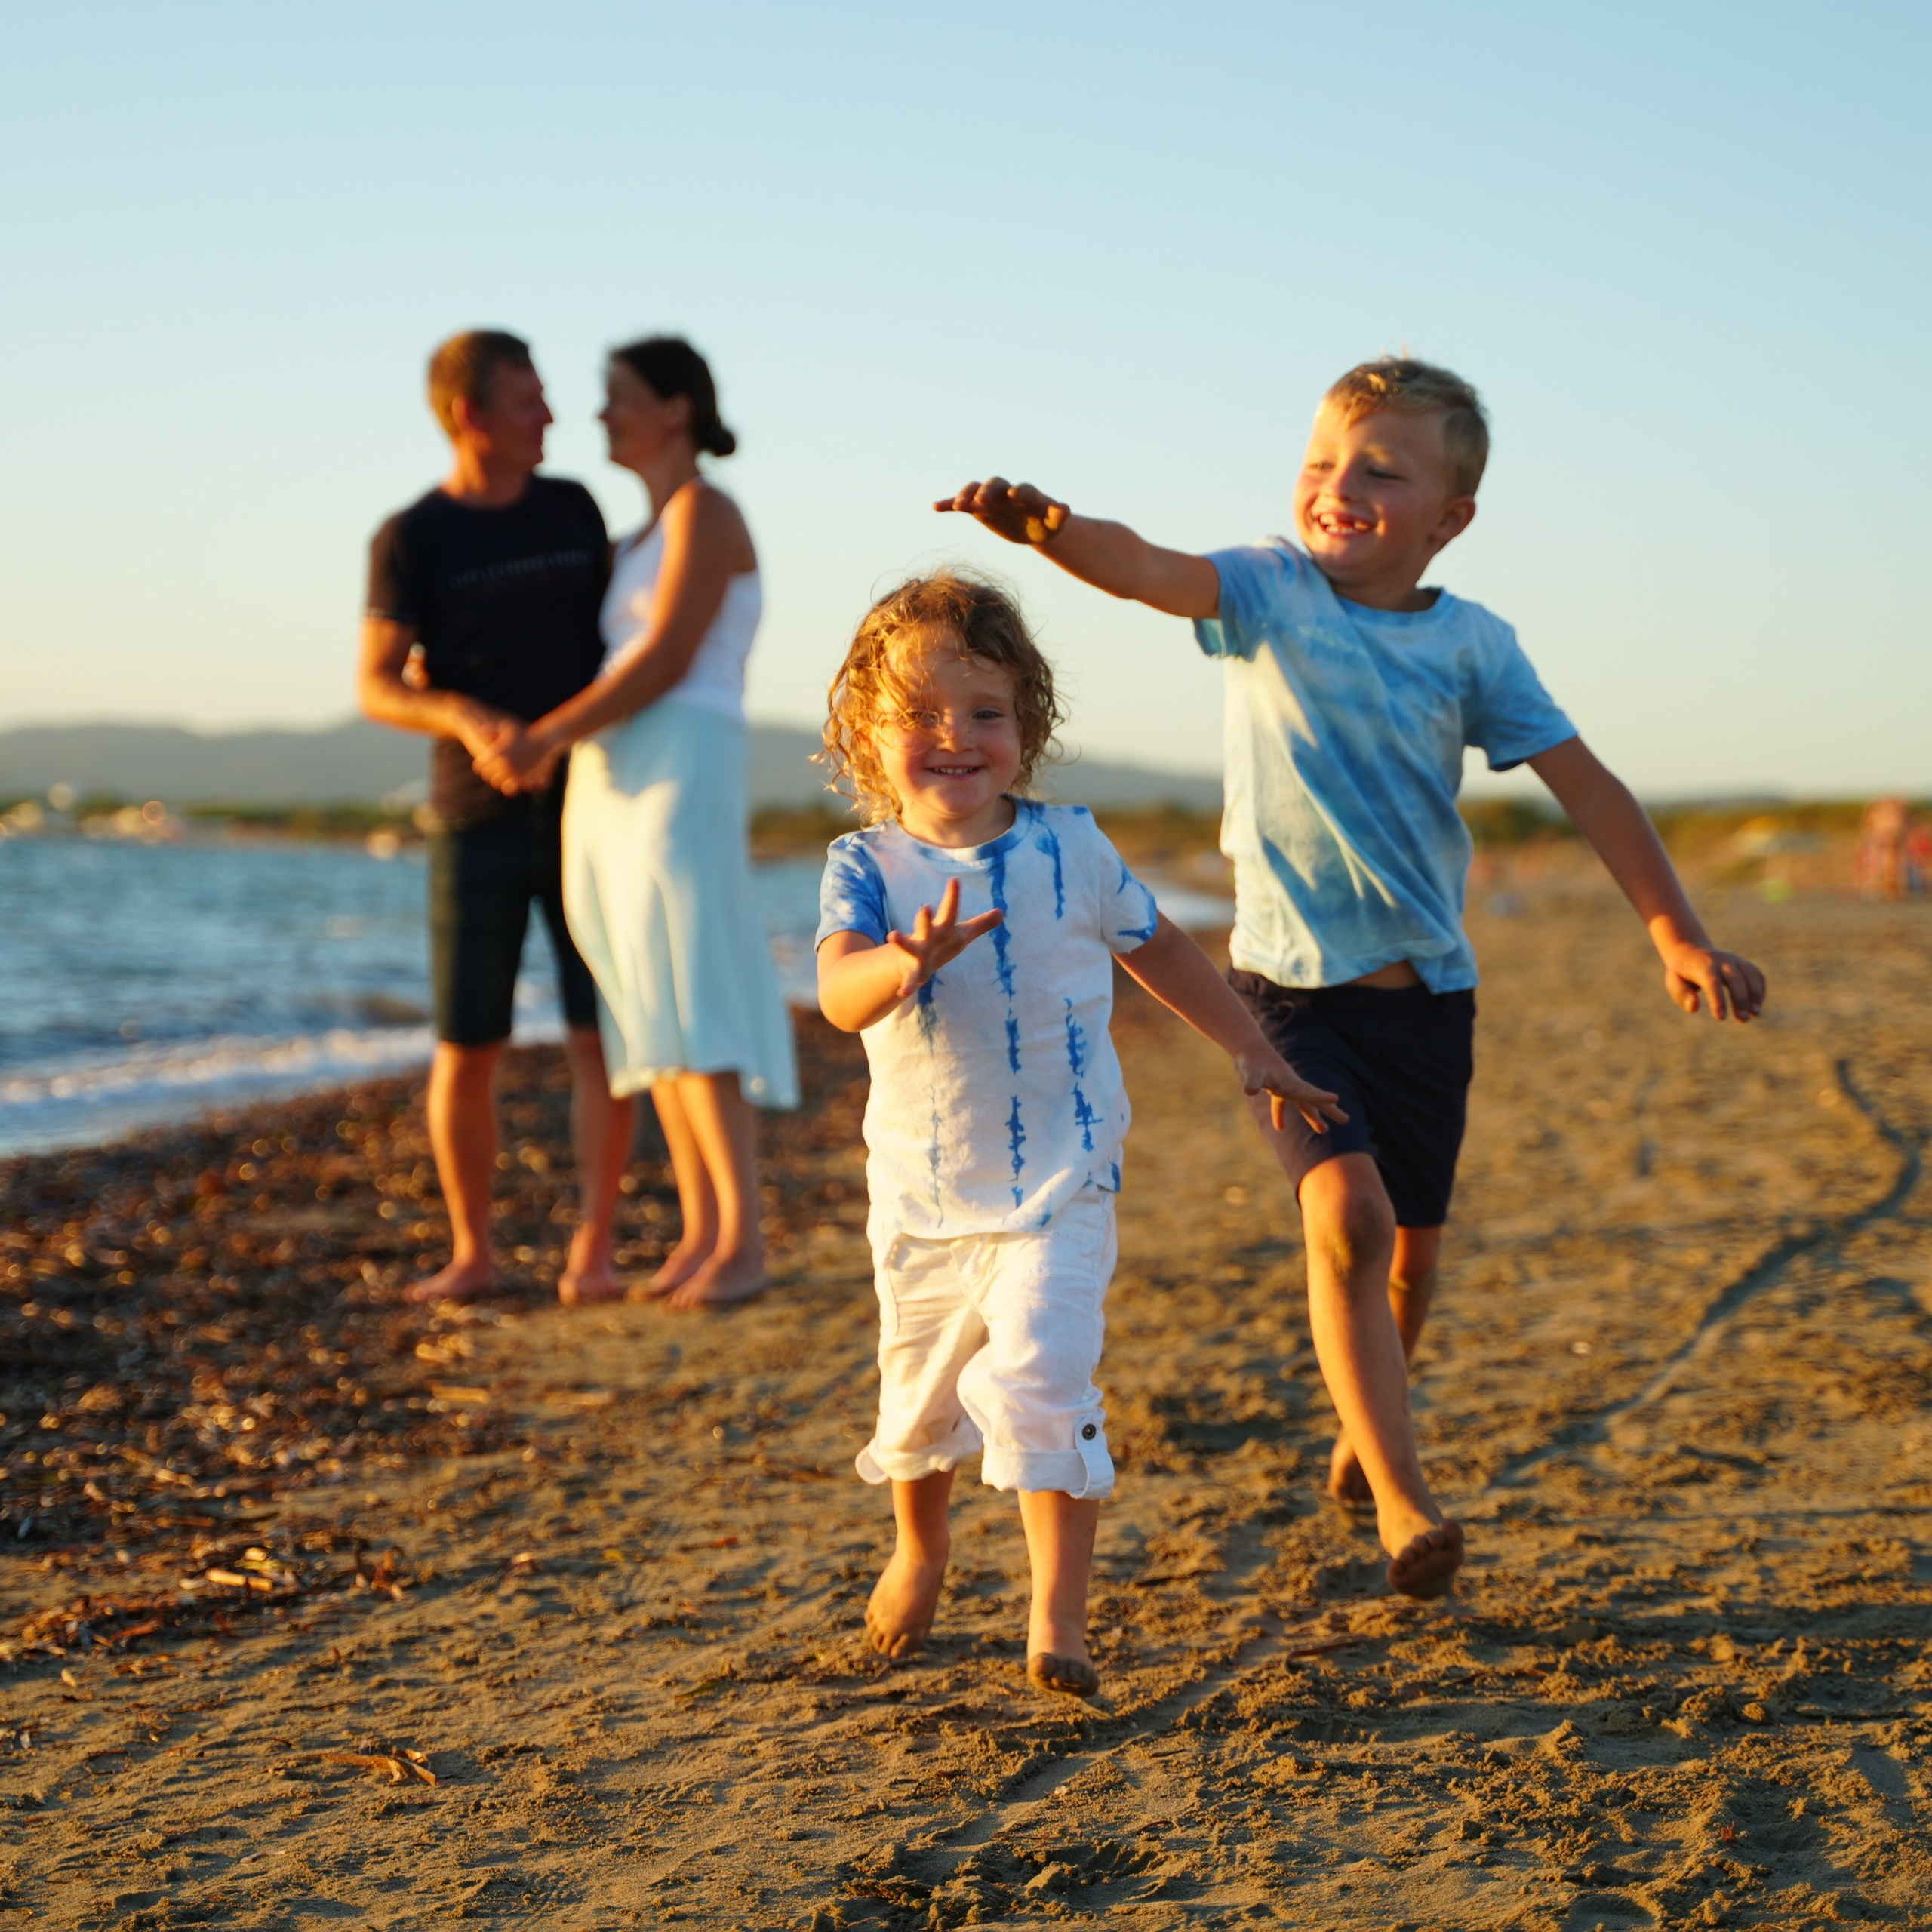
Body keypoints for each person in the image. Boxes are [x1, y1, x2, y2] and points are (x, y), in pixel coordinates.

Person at [936, 357, 1768, 1598]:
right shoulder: (1268, 590)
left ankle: (1367, 1422)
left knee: (1410, 1257)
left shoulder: (1474, 645)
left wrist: (1676, 934)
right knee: (1350, 1220)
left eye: (1382, 471)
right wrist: (1054, 531)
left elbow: (1590, 788)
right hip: (1284, 996)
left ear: (1451, 518)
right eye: (1324, 462)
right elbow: (1150, 567)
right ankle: (1401, 1495)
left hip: (1427, 999)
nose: (1341, 486)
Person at [814, 572, 1352, 1697]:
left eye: (986, 712)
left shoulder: (1071, 846)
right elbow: (837, 994)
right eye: (920, 714)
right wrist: (901, 962)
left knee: (1044, 1374)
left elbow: (1158, 946)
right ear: (866, 732)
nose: (955, 737)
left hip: (1062, 1181)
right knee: (918, 1395)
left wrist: (1249, 1046)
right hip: (923, 1195)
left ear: (1028, 723)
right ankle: (922, 1546)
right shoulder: (866, 868)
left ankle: (1057, 1618)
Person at [473, 338, 798, 1309]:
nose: (600, 415)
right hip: (608, 773)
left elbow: (664, 659)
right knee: (646, 996)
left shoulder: (707, 510)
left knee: (693, 984)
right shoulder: (628, 542)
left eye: (617, 397)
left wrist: (543, 737)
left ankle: (743, 1240)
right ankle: (701, 1232)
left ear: (675, 409)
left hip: (683, 756)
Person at [358, 329, 634, 1306]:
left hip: (591, 808)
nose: (551, 416)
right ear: (470, 415)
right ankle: (471, 1254)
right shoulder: (412, 537)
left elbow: (625, 642)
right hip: (471, 817)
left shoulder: (573, 508)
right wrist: (466, 716)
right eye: (529, 400)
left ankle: (593, 1252)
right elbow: (377, 683)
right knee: (467, 1044)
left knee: (598, 1039)